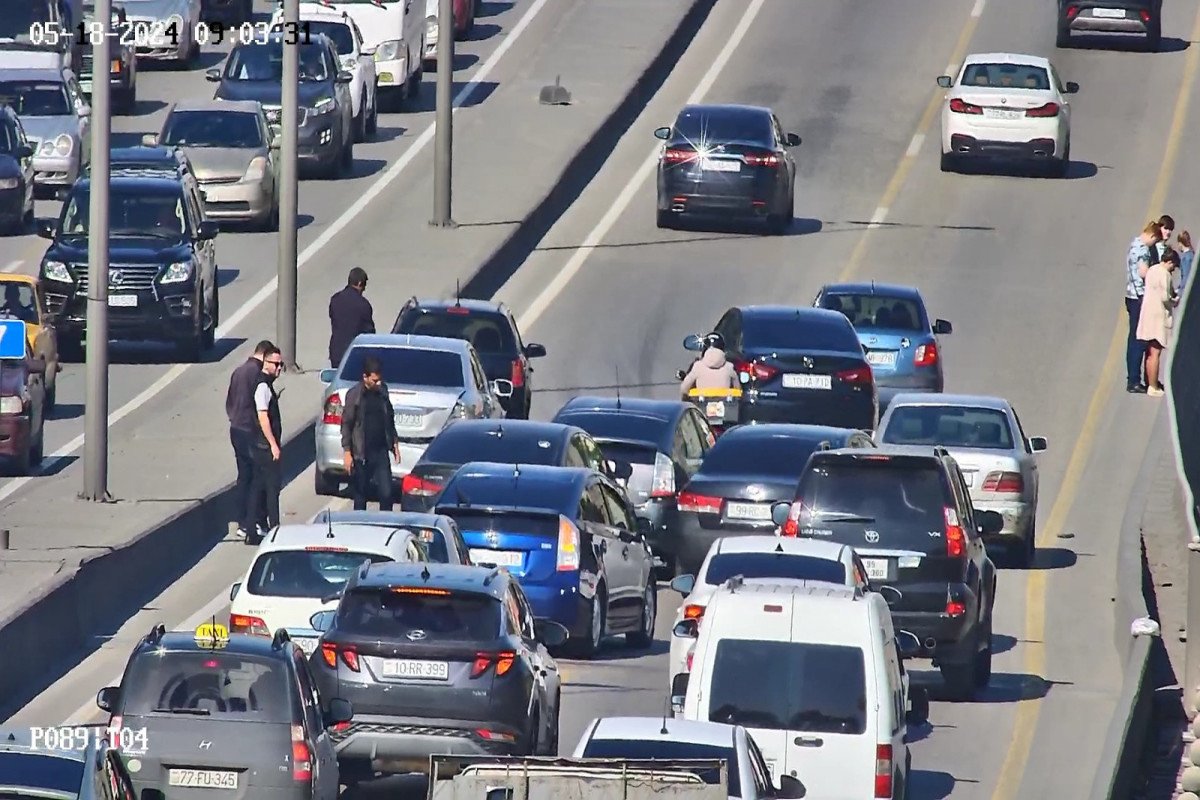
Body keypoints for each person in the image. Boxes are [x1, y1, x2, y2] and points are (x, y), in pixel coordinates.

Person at [225, 339, 274, 539]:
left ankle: (241, 520)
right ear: (263, 356)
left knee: (243, 476)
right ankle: (251, 521)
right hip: (249, 431)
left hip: (235, 428)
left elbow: (229, 401)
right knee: (255, 478)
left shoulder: (238, 371)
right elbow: (259, 407)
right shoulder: (256, 375)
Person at [341, 354, 401, 511]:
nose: (378, 383)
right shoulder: (355, 395)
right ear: (365, 377)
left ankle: (386, 525)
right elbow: (347, 423)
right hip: (362, 453)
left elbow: (389, 418)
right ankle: (359, 526)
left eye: (379, 379)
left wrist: (394, 443)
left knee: (387, 493)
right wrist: (347, 451)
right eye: (375, 380)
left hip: (381, 450)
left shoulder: (383, 392)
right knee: (361, 494)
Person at [248, 344, 285, 538]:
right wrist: (273, 444)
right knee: (271, 488)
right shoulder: (262, 386)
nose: (279, 368)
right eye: (276, 364)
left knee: (259, 486)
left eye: (281, 364)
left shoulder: (266, 384)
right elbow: (263, 417)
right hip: (264, 447)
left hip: (260, 445)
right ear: (266, 362)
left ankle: (253, 529)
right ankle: (274, 528)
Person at [1138, 248, 1180, 397]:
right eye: (1173, 266)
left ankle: (1149, 381)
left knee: (1149, 351)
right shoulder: (1165, 275)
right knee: (1156, 352)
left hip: (1148, 313)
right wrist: (1174, 300)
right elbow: (1165, 297)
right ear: (1169, 262)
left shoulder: (1153, 269)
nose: (1173, 269)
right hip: (1158, 316)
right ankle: (1153, 386)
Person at [1125, 221, 1161, 394]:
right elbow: (1143, 272)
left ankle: (1132, 378)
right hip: (1140, 297)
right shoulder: (1143, 250)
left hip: (1131, 295)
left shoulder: (1134, 244)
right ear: (1152, 236)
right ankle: (1134, 380)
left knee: (1132, 338)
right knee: (1140, 339)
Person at [328, 267, 375, 368]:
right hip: (354, 354)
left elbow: (333, 319)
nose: (364, 289)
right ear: (359, 283)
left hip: (336, 352)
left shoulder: (335, 299)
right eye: (364, 285)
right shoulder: (364, 305)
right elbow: (369, 333)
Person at [679, 333, 739, 398]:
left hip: (701, 404)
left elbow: (684, 388)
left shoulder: (697, 366)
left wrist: (687, 395)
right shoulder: (729, 367)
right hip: (725, 405)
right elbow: (737, 388)